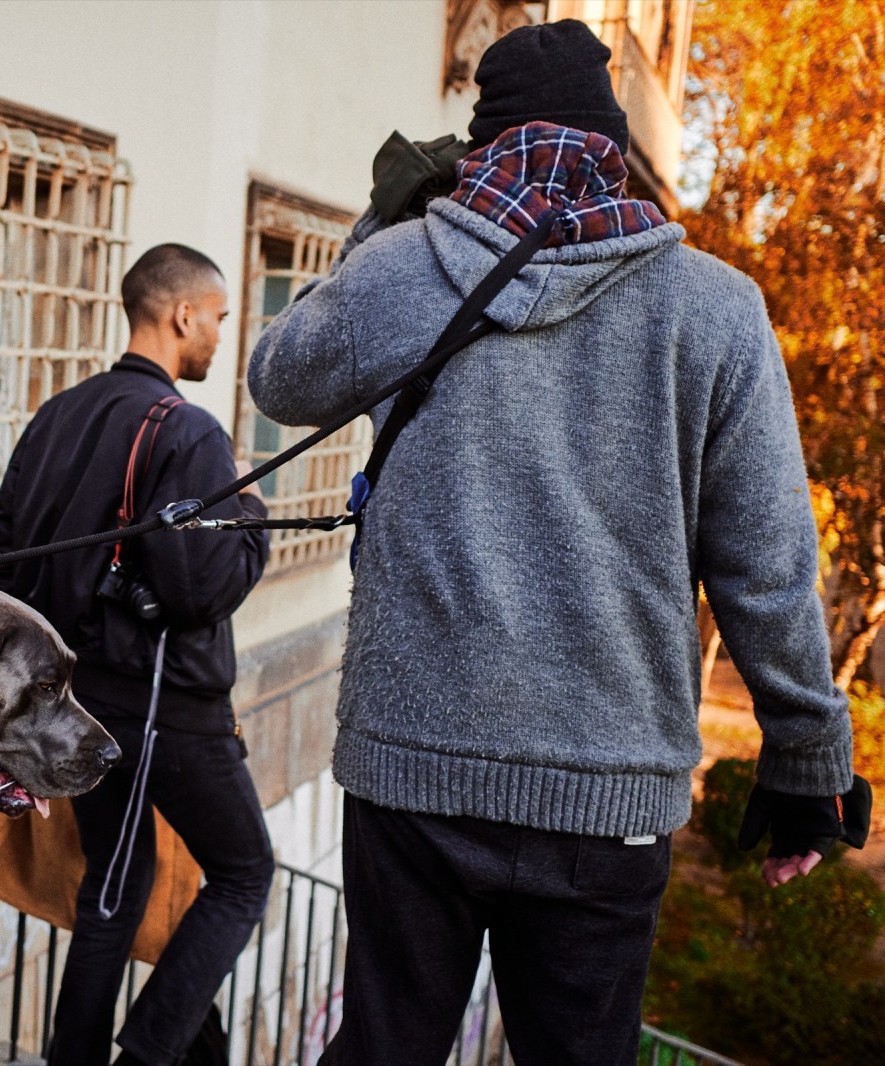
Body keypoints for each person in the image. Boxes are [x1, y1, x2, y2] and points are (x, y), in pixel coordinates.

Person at [246, 19, 861, 1066]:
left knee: (385, 1045)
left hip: (411, 770)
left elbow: (279, 377)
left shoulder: (406, 265)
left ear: (477, 144)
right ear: (614, 143)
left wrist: (381, 227)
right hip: (607, 792)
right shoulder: (715, 309)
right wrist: (807, 759)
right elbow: (766, 564)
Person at [0, 243, 274, 1066]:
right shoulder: (189, 432)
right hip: (165, 709)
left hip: (73, 708)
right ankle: (148, 1054)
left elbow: (4, 557)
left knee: (114, 889)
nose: (220, 335)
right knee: (245, 872)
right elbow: (199, 592)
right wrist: (249, 510)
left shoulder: (58, 412)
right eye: (218, 318)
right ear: (182, 314)